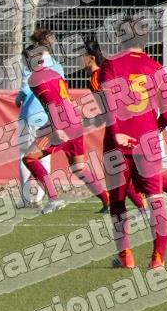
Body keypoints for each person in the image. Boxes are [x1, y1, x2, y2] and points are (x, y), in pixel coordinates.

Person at [94, 14, 167, 270]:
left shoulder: (111, 65)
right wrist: (153, 130)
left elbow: (108, 104)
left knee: (118, 201)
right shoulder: (157, 68)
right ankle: (158, 258)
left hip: (117, 143)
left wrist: (116, 133)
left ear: (120, 37)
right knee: (156, 199)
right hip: (148, 143)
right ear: (146, 39)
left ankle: (125, 256)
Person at [19, 42, 107, 213]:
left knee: (29, 158)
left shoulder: (34, 78)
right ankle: (107, 200)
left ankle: (53, 199)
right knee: (79, 168)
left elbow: (51, 103)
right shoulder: (55, 73)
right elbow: (64, 99)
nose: (23, 63)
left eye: (24, 60)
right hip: (74, 122)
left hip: (60, 124)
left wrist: (57, 127)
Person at [15, 27, 60, 207]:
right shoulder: (57, 65)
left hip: (30, 115)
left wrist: (19, 97)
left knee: (24, 155)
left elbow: (25, 89)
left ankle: (27, 199)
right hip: (50, 117)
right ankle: (40, 197)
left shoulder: (31, 63)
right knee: (44, 157)